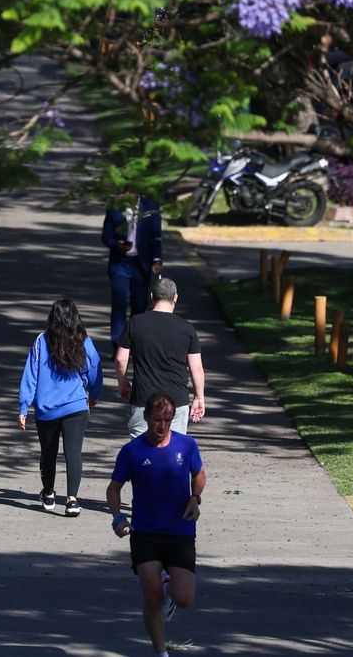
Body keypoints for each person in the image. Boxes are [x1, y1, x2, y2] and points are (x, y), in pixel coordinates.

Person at [107, 392, 207, 656]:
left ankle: (169, 587)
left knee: (184, 598)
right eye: (156, 420)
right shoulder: (132, 451)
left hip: (180, 531)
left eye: (167, 420)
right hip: (146, 532)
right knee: (151, 598)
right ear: (146, 418)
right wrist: (118, 517)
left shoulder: (186, 446)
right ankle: (161, 652)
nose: (162, 426)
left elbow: (199, 474)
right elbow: (114, 488)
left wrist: (195, 498)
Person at [17, 297, 103, 517]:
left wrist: (24, 406)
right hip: (75, 406)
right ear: (75, 317)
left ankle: (48, 494)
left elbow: (31, 374)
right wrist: (94, 393)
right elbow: (94, 367)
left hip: (47, 409)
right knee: (73, 452)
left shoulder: (41, 341)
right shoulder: (83, 340)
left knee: (49, 452)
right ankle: (72, 501)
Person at [117, 277, 206, 437]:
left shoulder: (135, 323)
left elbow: (120, 359)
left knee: (140, 452)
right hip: (176, 401)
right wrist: (199, 397)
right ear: (175, 298)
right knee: (173, 452)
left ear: (151, 296)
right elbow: (196, 367)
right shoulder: (187, 328)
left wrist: (124, 383)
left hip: (143, 399)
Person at [102, 193, 163, 348]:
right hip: (120, 262)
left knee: (139, 304)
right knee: (119, 303)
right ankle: (117, 345)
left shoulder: (151, 207)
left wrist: (156, 259)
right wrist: (117, 245)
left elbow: (156, 235)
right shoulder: (115, 207)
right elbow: (106, 236)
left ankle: (135, 344)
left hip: (141, 263)